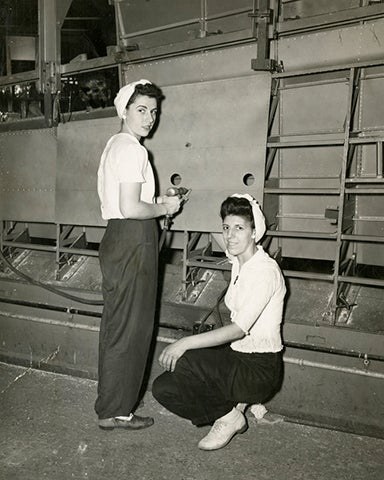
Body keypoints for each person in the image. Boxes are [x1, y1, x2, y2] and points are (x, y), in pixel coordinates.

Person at [152, 194, 286, 450]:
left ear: (254, 232)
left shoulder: (265, 272)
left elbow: (238, 330)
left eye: (239, 228)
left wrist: (184, 343)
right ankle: (229, 408)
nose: (231, 235)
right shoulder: (239, 261)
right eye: (226, 228)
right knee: (163, 387)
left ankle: (229, 417)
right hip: (237, 359)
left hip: (259, 370)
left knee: (185, 359)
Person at [95, 79, 181, 431]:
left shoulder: (115, 145)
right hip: (134, 239)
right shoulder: (133, 150)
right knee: (132, 329)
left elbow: (125, 203)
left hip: (120, 238)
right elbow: (131, 208)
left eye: (154, 112)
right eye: (142, 110)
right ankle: (117, 411)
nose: (150, 118)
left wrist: (158, 202)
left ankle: (111, 406)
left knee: (119, 326)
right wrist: (165, 209)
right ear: (125, 110)